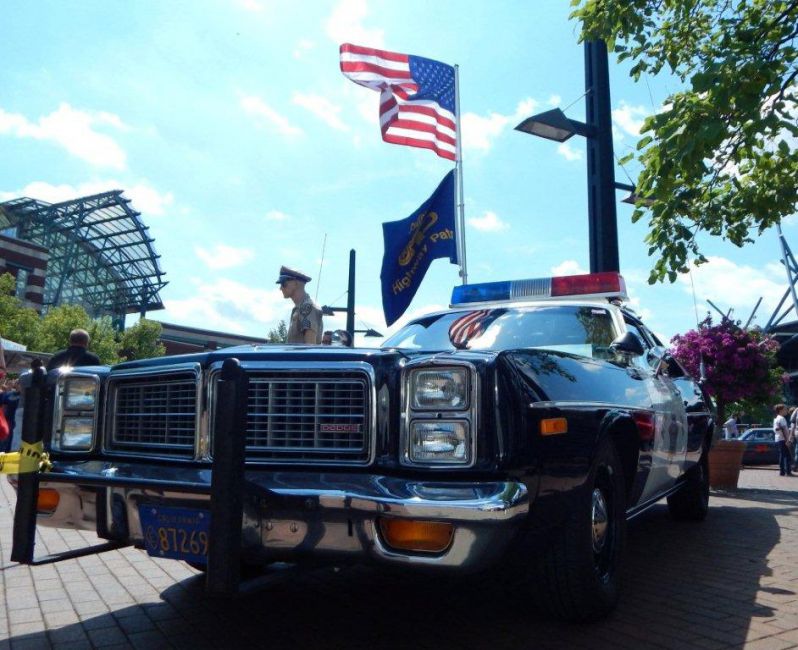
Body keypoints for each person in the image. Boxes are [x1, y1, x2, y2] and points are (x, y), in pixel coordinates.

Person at [276, 266, 323, 344]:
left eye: (284, 283)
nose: (281, 288)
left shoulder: (307, 307)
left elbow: (310, 346)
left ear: (295, 283)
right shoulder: (298, 308)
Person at [773, 403, 793, 477]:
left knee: (782, 455)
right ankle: (787, 471)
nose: (786, 411)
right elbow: (784, 429)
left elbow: (777, 429)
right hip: (783, 439)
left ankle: (782, 472)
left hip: (779, 439)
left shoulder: (776, 418)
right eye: (785, 409)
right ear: (781, 410)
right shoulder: (782, 418)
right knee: (787, 456)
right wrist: (788, 440)